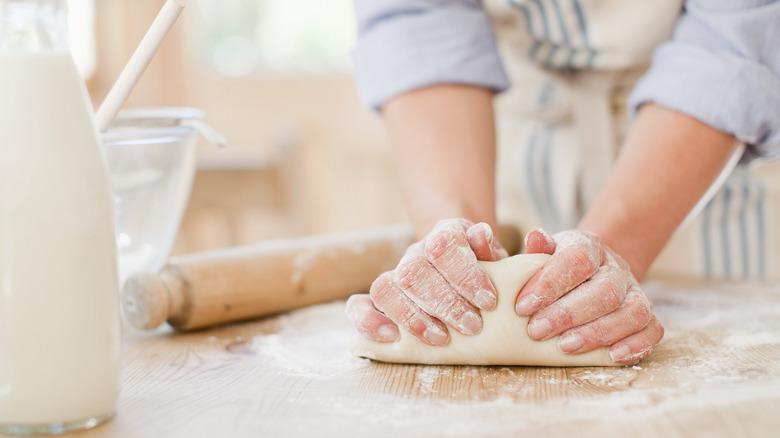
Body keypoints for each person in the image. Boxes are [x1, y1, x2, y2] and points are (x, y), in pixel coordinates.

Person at [345, 0, 780, 364]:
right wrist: (453, 246)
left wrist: (607, 263)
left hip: (702, 159)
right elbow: (419, 19)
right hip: (506, 140)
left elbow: (734, 43)